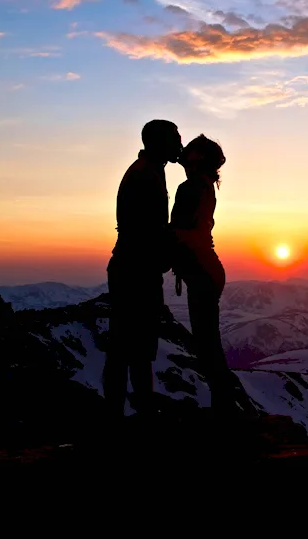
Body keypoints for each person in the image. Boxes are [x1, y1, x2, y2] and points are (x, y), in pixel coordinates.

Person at [103, 119, 182, 425]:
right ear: (160, 142)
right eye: (175, 139)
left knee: (132, 345)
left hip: (134, 266)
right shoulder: (145, 174)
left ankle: (129, 413)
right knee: (130, 346)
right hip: (136, 269)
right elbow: (144, 229)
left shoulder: (150, 170)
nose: (180, 145)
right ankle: (129, 416)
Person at [170, 134, 250, 417]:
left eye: (189, 152)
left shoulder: (190, 187)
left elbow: (182, 232)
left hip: (202, 270)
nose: (183, 155)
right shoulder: (202, 185)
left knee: (207, 347)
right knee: (208, 344)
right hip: (206, 270)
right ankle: (224, 407)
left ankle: (225, 410)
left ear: (198, 159)